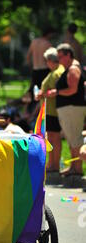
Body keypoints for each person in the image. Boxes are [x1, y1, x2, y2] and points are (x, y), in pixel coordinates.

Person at [47, 43, 86, 181]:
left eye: (60, 57)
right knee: (71, 139)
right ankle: (74, 167)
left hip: (72, 108)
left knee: (75, 138)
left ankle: (77, 169)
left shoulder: (73, 69)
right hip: (69, 108)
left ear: (68, 55)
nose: (59, 60)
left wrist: (56, 92)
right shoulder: (69, 67)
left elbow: (73, 89)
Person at [35, 47, 64, 174]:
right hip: (49, 110)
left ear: (52, 60)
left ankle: (55, 164)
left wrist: (42, 94)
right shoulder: (54, 71)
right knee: (50, 137)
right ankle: (51, 163)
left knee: (54, 138)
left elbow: (57, 91)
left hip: (53, 110)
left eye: (47, 60)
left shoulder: (58, 72)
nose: (46, 63)